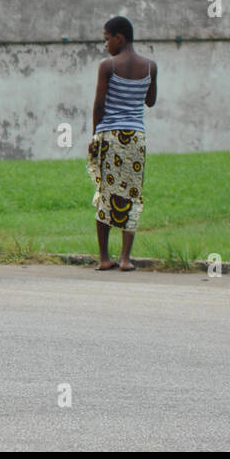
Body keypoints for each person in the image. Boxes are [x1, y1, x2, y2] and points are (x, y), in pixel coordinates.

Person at [88, 16, 157, 271]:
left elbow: (99, 104)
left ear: (120, 38)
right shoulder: (150, 67)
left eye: (107, 39)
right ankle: (126, 258)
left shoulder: (108, 66)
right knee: (132, 194)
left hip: (110, 138)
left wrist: (95, 136)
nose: (106, 45)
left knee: (106, 193)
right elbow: (150, 101)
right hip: (136, 139)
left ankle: (105, 257)